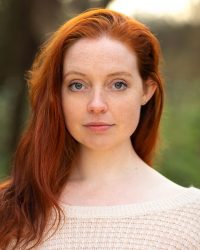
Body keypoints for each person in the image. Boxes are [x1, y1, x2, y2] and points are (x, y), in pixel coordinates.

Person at [0, 8, 200, 250]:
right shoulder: (10, 212)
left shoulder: (190, 218)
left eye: (118, 84)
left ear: (147, 91)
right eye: (77, 85)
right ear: (57, 94)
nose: (96, 105)